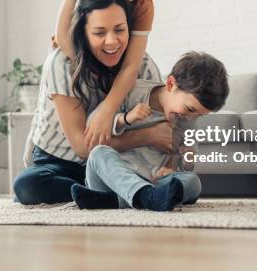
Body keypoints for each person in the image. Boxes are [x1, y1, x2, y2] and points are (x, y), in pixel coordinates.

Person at [14, 0, 171, 205]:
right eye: (99, 32)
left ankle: (105, 194)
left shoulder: (140, 63)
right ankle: (114, 196)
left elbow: (162, 121)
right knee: (27, 186)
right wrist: (149, 136)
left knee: (159, 178)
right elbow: (81, 145)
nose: (112, 41)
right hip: (60, 160)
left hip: (112, 161)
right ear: (83, 34)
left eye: (119, 29)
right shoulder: (61, 63)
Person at [54, 0, 170, 150]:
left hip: (116, 66)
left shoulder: (143, 4)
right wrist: (90, 69)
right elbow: (62, 33)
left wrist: (106, 110)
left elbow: (131, 65)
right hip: (77, 57)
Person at [71, 52, 230, 212]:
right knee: (99, 153)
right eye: (189, 109)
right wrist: (125, 119)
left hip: (154, 182)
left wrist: (177, 162)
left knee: (193, 182)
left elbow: (187, 161)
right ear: (170, 84)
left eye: (199, 115)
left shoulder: (188, 120)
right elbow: (95, 124)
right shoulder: (132, 91)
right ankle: (144, 197)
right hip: (112, 180)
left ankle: (115, 201)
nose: (190, 118)